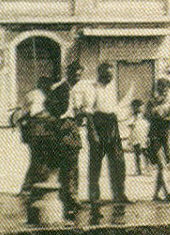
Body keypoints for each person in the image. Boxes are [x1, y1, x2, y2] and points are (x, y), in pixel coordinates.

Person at [45, 62, 85, 214]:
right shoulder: (60, 89)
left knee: (74, 164)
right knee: (67, 164)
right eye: (75, 75)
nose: (77, 77)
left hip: (73, 126)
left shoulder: (77, 89)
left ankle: (73, 196)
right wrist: (59, 118)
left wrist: (79, 115)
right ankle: (67, 199)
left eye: (79, 75)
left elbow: (77, 110)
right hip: (63, 126)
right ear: (68, 74)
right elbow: (50, 106)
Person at [88, 62, 129, 203]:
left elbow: (115, 109)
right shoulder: (93, 88)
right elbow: (89, 113)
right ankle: (94, 195)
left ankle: (119, 194)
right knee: (96, 162)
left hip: (112, 124)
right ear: (100, 73)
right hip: (98, 123)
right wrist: (93, 133)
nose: (111, 77)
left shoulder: (112, 88)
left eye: (112, 74)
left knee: (118, 161)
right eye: (107, 74)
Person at [147, 78, 170, 202]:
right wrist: (161, 114)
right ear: (157, 89)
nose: (164, 91)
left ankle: (156, 194)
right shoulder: (152, 102)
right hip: (155, 135)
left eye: (166, 88)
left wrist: (160, 115)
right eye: (161, 88)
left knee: (163, 164)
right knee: (161, 163)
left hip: (167, 135)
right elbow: (148, 116)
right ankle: (167, 192)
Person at [126, 98, 149, 175]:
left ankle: (147, 168)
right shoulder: (132, 117)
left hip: (143, 135)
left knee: (145, 153)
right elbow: (130, 125)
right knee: (137, 153)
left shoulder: (145, 116)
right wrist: (134, 121)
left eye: (141, 107)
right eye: (138, 107)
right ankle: (138, 169)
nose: (140, 108)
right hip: (136, 136)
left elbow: (148, 124)